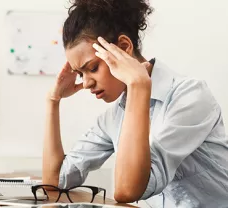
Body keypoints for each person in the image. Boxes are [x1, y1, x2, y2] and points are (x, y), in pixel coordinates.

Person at [42, 0, 228, 207]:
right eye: (80, 74)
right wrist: (53, 100)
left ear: (123, 47)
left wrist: (139, 84)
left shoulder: (190, 96)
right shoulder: (113, 117)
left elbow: (127, 191)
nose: (86, 83)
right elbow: (54, 180)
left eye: (92, 68)